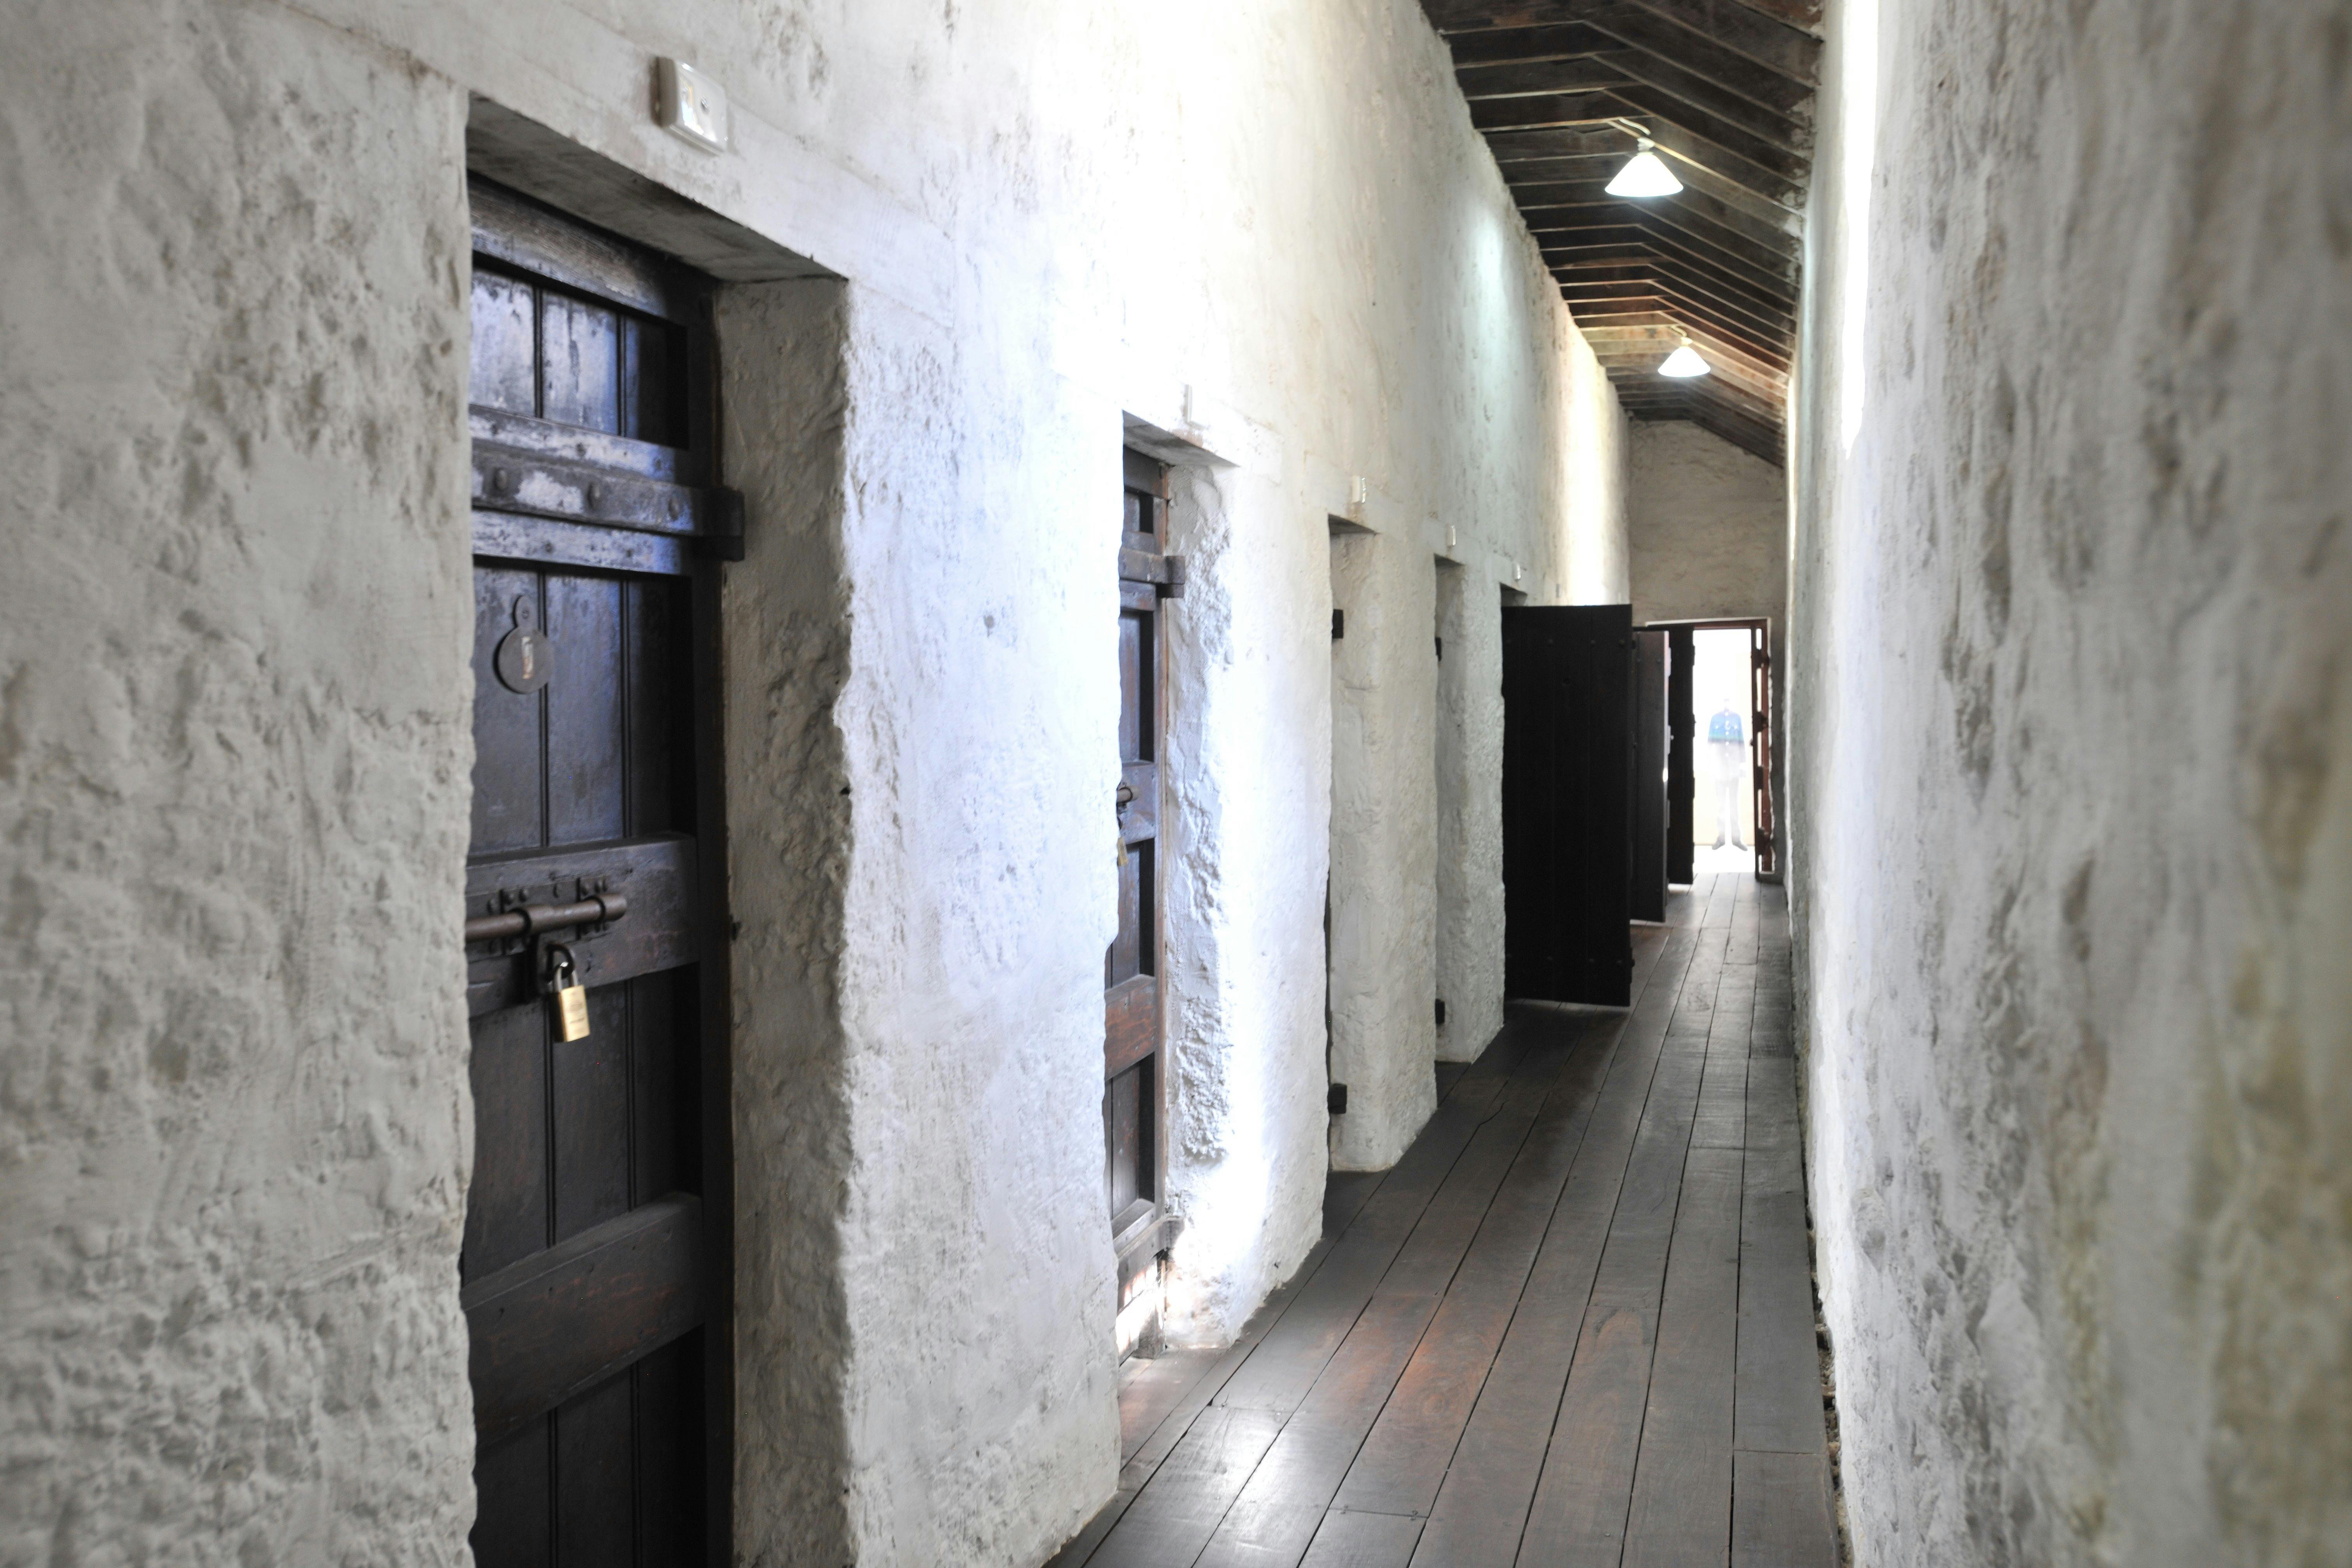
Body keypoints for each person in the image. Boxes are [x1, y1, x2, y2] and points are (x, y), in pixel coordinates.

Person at [1708, 703, 1746, 850]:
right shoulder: (1715, 719)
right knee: (1721, 805)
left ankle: (1736, 839)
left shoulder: (1737, 719)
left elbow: (1741, 741)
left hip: (1734, 767)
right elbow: (1710, 744)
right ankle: (1721, 838)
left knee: (1734, 804)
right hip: (1720, 768)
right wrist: (1711, 765)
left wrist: (1742, 765)